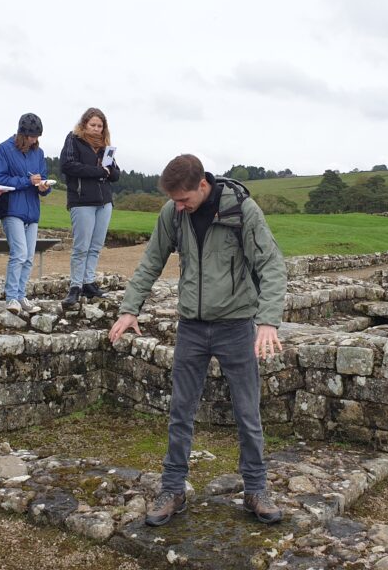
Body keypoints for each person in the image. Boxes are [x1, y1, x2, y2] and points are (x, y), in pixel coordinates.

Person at [109, 154, 287, 526]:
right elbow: (151, 260)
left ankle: (256, 489)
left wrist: (268, 320)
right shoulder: (173, 214)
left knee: (247, 412)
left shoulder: (242, 210)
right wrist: (130, 309)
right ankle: (172, 489)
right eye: (174, 200)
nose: (179, 206)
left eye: (184, 199)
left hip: (237, 326)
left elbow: (271, 263)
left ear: (203, 185)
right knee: (180, 412)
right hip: (191, 326)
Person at [60, 107, 119, 307]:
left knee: (95, 246)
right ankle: (75, 285)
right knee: (81, 247)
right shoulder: (73, 140)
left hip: (104, 202)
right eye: (92, 125)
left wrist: (108, 171)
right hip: (82, 200)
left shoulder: (105, 146)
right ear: (84, 124)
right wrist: (98, 171)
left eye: (100, 126)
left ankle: (89, 282)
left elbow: (116, 174)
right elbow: (67, 166)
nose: (96, 129)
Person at [0, 113, 50, 315]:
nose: (34, 140)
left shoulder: (39, 152)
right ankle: (11, 297)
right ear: (22, 134)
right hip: (12, 209)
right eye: (31, 136)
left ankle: (20, 294)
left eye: (37, 136)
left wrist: (44, 186)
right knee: (18, 254)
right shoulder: (4, 149)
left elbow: (42, 178)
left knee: (28, 257)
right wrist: (27, 181)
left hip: (32, 211)